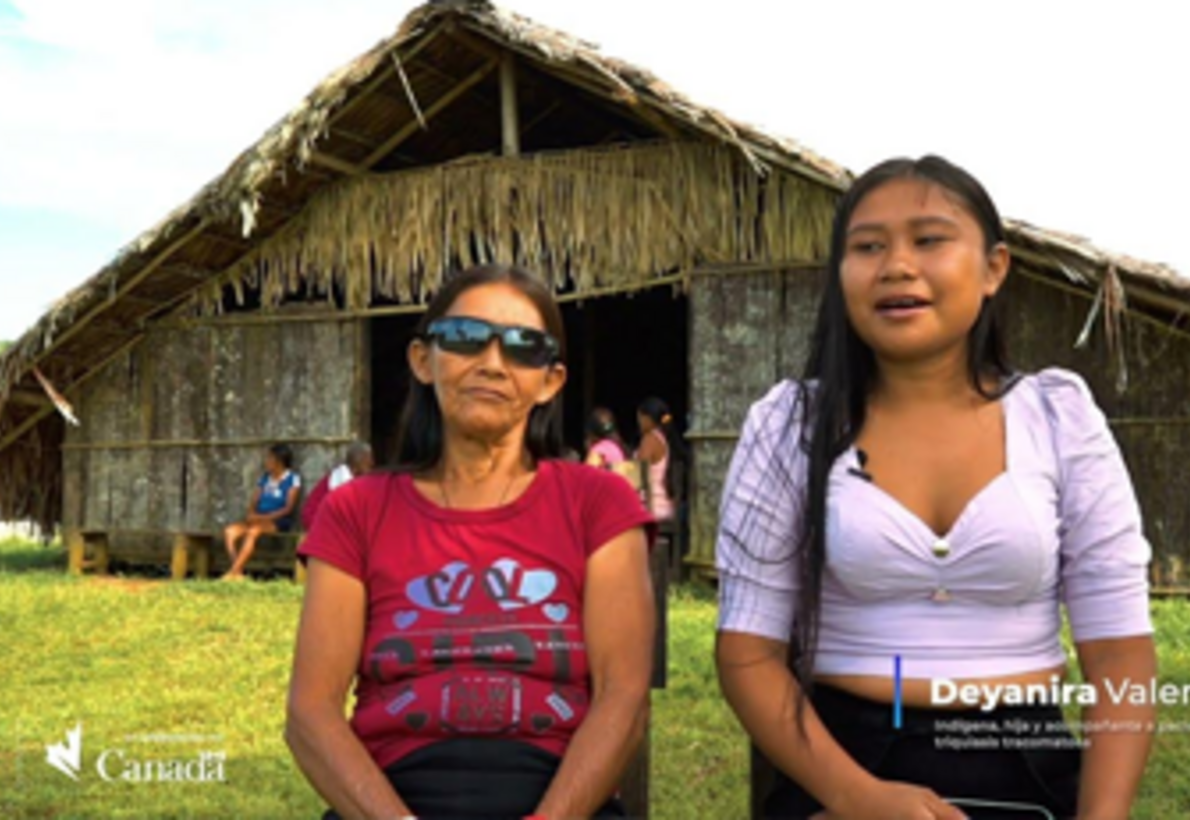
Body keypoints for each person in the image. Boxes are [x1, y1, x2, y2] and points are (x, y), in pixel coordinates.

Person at [715, 156, 1156, 819]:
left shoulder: (1060, 419)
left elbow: (1120, 651)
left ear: (993, 268)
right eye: (867, 247)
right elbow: (747, 652)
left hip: (1027, 765)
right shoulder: (790, 426)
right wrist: (854, 795)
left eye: (929, 239)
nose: (896, 265)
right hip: (842, 764)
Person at [286, 264, 656, 820]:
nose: (491, 363)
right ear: (422, 361)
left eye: (522, 347)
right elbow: (311, 712)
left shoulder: (597, 504)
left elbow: (623, 697)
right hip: (390, 800)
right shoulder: (356, 510)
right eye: (464, 338)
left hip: (558, 799)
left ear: (551, 380)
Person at [222, 443, 301, 580]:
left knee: (253, 532)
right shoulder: (264, 478)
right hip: (257, 519)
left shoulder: (292, 479)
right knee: (230, 531)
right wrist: (252, 513)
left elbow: (288, 508)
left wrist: (265, 518)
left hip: (278, 521)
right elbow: (254, 501)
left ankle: (233, 572)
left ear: (280, 461)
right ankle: (237, 570)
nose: (267, 461)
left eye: (270, 458)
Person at [300, 441, 375, 531]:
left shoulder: (352, 477)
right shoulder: (342, 478)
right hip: (316, 520)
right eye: (367, 463)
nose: (372, 463)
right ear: (357, 463)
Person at [635, 398, 680, 522]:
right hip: (665, 505)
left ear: (648, 419)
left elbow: (638, 472)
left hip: (651, 506)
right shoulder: (663, 439)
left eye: (640, 418)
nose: (639, 423)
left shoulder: (650, 439)